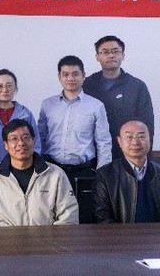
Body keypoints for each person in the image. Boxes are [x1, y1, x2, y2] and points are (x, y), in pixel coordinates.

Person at [38, 55, 110, 223]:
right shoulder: (47, 105)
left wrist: (102, 175)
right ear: (59, 77)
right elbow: (40, 139)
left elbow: (104, 142)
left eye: (75, 74)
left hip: (84, 171)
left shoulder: (95, 105)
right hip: (52, 169)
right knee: (51, 216)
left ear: (83, 76)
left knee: (84, 217)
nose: (70, 78)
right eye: (65, 74)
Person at [0, 119, 79, 226]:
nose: (21, 143)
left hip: (47, 236)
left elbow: (68, 214)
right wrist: (9, 233)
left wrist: (51, 236)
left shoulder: (55, 174)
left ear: (34, 141)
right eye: (14, 139)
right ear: (6, 145)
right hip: (6, 236)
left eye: (26, 137)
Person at [83, 35, 154, 160]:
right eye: (105, 52)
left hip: (127, 153)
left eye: (115, 51)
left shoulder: (137, 86)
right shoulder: (87, 84)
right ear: (97, 56)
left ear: (123, 55)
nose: (111, 55)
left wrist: (144, 159)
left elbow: (147, 124)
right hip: (93, 154)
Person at [94, 120, 160, 223]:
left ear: (150, 140)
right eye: (129, 137)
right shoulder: (105, 175)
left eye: (141, 136)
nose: (135, 142)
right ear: (119, 141)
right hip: (119, 233)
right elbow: (102, 217)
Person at [0, 69, 40, 170]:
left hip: (22, 169)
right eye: (0, 86)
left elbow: (36, 143)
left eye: (9, 85)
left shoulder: (25, 114)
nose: (5, 90)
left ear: (15, 88)